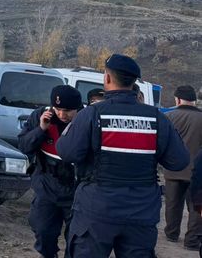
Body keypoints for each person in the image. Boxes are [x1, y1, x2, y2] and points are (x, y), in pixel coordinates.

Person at [56, 54, 190, 256]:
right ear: (133, 82)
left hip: (97, 211)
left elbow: (67, 151)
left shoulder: (92, 114)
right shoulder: (157, 118)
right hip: (141, 213)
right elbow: (179, 161)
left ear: (107, 79)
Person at [18, 85, 82, 258]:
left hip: (77, 189)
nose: (62, 115)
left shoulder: (86, 120)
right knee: (42, 229)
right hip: (47, 183)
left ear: (78, 108)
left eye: (68, 110)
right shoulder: (40, 116)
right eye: (58, 109)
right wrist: (41, 130)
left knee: (79, 239)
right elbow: (24, 146)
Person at [163, 85, 202, 249]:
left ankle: (172, 234)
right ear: (194, 100)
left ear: (178, 99)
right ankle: (192, 241)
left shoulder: (168, 117)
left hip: (173, 170)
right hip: (197, 171)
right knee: (195, 207)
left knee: (172, 204)